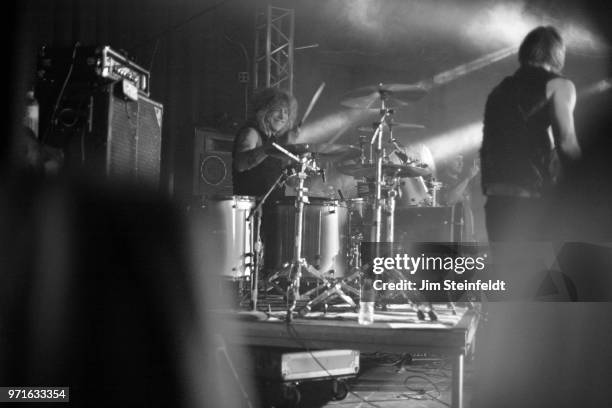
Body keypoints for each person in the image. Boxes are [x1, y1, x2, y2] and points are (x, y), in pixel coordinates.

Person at [480, 26, 581, 241]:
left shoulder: (499, 90)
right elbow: (566, 143)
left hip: (497, 200)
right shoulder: (559, 85)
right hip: (530, 201)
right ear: (557, 54)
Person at [232, 87, 298, 201]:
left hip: (273, 208)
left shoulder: (273, 140)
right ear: (264, 110)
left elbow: (291, 182)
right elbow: (240, 164)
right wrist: (273, 146)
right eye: (278, 110)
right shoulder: (251, 133)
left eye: (286, 112)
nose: (282, 117)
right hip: (251, 210)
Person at [438, 154, 479, 241]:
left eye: (462, 160)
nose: (461, 163)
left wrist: (471, 235)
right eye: (457, 160)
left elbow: (468, 209)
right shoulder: (441, 180)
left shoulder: (461, 182)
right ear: (446, 161)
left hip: (466, 237)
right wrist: (468, 178)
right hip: (451, 236)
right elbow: (450, 200)